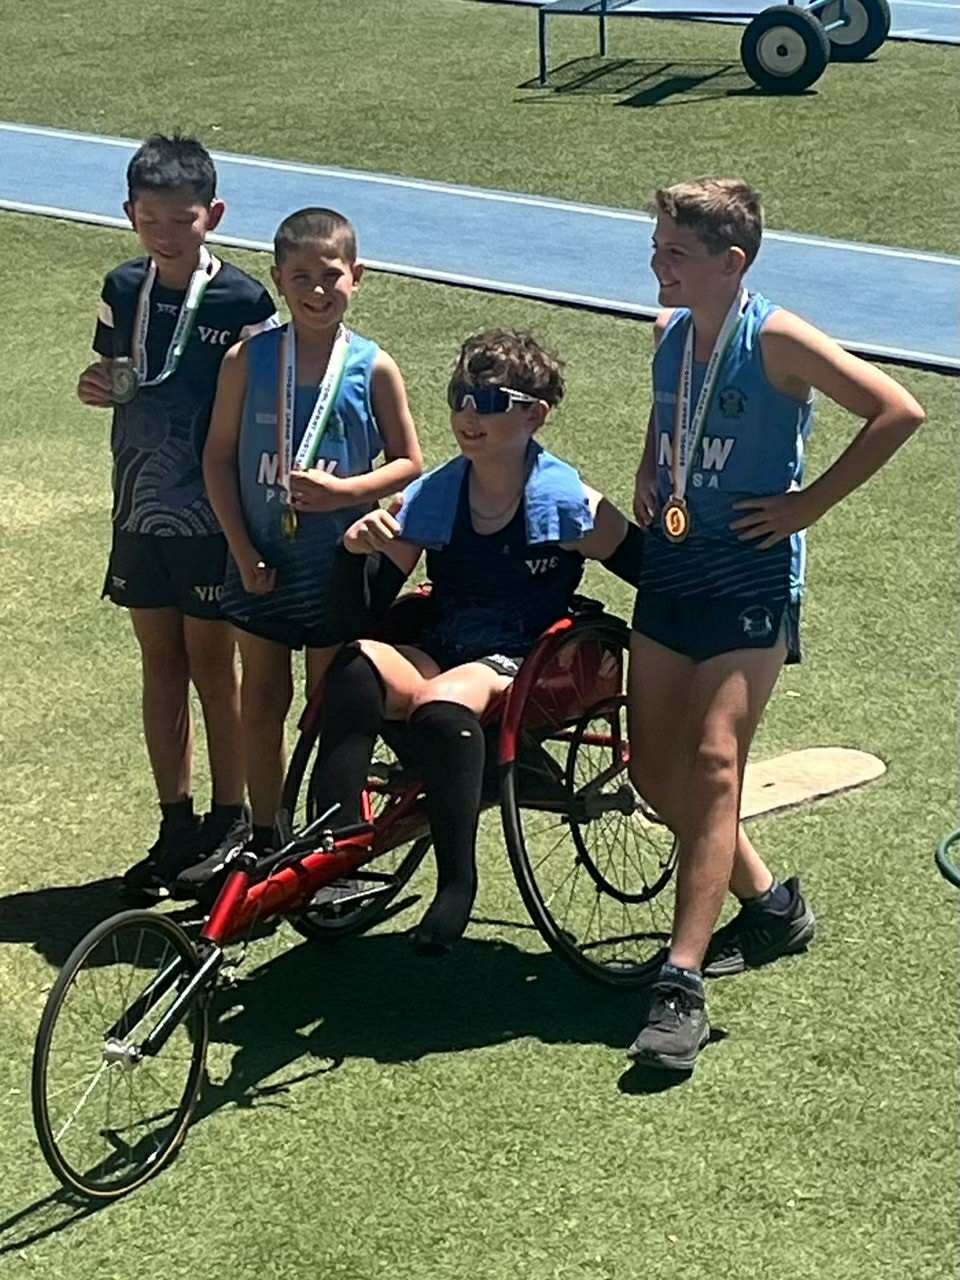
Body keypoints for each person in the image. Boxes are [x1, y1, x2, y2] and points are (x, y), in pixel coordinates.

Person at [625, 178, 925, 1072]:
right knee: (652, 775)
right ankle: (768, 904)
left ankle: (681, 981)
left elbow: (897, 410)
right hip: (673, 566)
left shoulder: (779, 338)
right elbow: (668, 408)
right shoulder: (669, 332)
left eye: (675, 252)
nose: (657, 264)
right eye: (657, 246)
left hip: (751, 574)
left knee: (716, 760)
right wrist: (650, 462)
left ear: (732, 262)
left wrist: (809, 505)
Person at [302, 329, 645, 953]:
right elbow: (360, 612)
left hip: (524, 655)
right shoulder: (433, 493)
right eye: (460, 396)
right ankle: (341, 843)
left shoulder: (570, 502)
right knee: (354, 667)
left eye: (489, 401)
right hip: (446, 640)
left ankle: (456, 883)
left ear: (534, 414)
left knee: (441, 704)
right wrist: (354, 552)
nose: (467, 414)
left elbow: (650, 571)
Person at [174, 207, 422, 896]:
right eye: (303, 278)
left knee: (332, 702)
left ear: (359, 276)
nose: (318, 291)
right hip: (258, 559)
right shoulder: (248, 361)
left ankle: (333, 835)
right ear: (280, 280)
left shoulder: (373, 367)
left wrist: (347, 491)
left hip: (337, 565)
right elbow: (218, 460)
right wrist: (240, 548)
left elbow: (409, 463)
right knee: (263, 698)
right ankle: (265, 834)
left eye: (332, 276)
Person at [76, 132, 280, 902]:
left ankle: (231, 817)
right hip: (137, 509)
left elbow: (265, 402)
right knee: (158, 666)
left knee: (211, 667)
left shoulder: (244, 301)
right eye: (151, 219)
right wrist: (96, 384)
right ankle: (176, 820)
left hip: (212, 515)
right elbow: (111, 371)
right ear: (130, 214)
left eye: (182, 219)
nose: (165, 233)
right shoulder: (121, 286)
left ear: (213, 215)